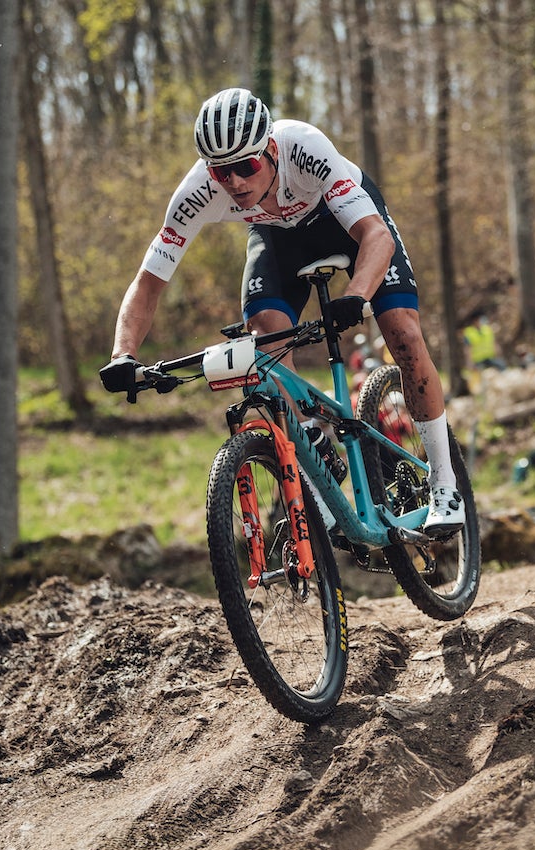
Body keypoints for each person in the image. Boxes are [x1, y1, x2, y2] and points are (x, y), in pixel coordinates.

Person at [98, 88, 464, 534]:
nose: (232, 181)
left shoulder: (304, 147)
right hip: (276, 238)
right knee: (264, 337)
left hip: (345, 224)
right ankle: (311, 439)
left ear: (270, 149)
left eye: (245, 166)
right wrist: (123, 355)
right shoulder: (196, 192)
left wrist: (356, 294)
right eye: (220, 171)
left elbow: (376, 236)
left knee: (403, 335)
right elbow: (149, 281)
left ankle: (445, 480)